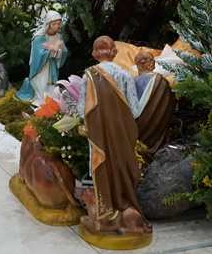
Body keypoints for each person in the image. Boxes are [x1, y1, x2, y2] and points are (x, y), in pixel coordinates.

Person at [64, 36, 151, 240]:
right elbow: (135, 111)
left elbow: (82, 110)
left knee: (101, 166)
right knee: (122, 168)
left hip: (99, 135)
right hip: (123, 133)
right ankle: (123, 203)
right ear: (114, 52)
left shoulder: (90, 75)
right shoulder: (125, 74)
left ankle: (106, 211)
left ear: (95, 54)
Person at [16, 11, 68, 104]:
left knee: (52, 91)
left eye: (59, 23)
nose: (57, 26)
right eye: (54, 24)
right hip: (41, 69)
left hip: (52, 68)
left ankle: (51, 101)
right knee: (42, 87)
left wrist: (54, 49)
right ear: (48, 24)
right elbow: (39, 55)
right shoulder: (39, 37)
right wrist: (55, 49)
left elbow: (64, 52)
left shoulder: (59, 36)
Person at [133, 50, 175, 165]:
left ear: (139, 65)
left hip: (138, 129)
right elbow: (169, 108)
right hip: (159, 130)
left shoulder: (133, 82)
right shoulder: (163, 82)